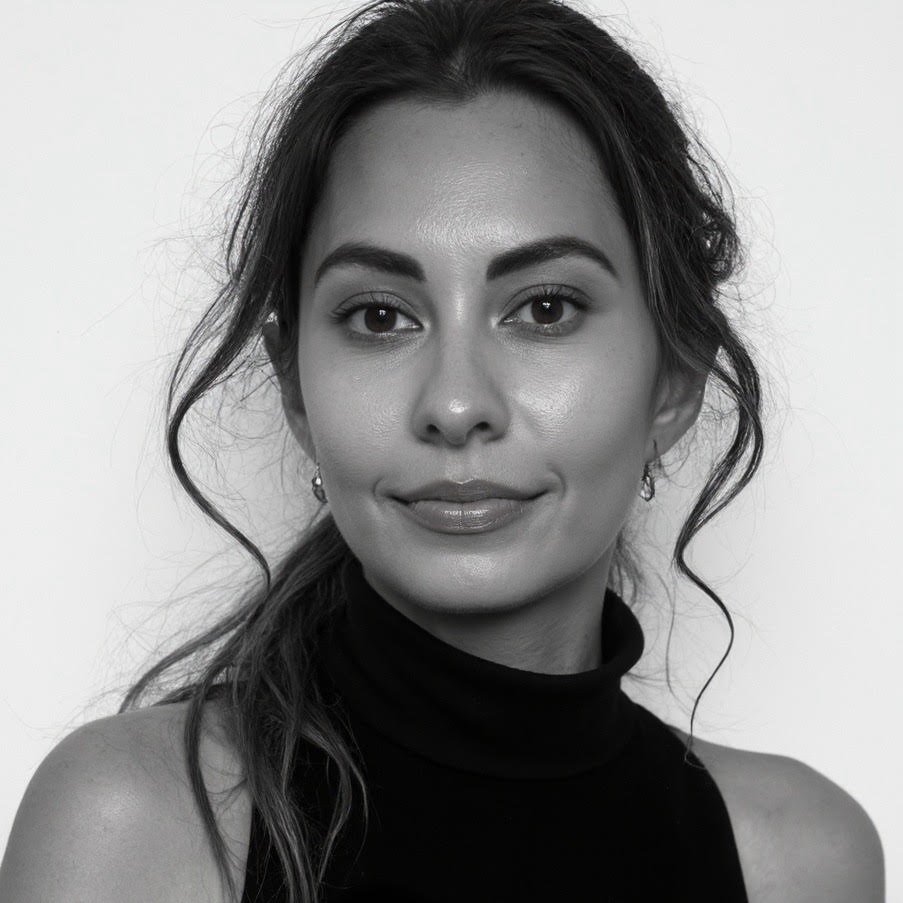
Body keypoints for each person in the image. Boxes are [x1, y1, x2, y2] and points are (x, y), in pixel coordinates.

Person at [0, 0, 885, 900]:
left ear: (674, 380)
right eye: (379, 316)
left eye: (545, 308)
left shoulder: (796, 859)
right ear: (296, 388)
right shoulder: (138, 826)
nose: (456, 404)